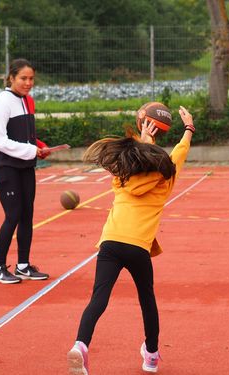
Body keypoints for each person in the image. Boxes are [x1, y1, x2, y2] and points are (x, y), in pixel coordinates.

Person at [67, 105, 195, 374]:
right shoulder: (166, 176)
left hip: (111, 242)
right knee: (147, 299)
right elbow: (178, 156)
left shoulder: (122, 175)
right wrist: (188, 129)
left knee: (98, 298)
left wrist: (144, 139)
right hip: (138, 246)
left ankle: (81, 344)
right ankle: (151, 355)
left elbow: (135, 157)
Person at [0, 58, 50, 284]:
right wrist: (30, 149)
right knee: (13, 215)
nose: (28, 82)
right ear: (11, 78)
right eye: (23, 78)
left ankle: (23, 265)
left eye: (31, 78)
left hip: (25, 166)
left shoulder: (27, 100)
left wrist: (40, 147)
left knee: (27, 215)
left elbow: (25, 137)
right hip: (6, 168)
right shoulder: (3, 102)